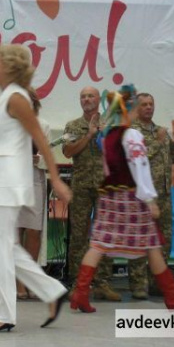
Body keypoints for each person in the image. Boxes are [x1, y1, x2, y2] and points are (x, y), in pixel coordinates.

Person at [0, 44, 72, 334]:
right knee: (6, 246)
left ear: (11, 66)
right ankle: (52, 290)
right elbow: (9, 138)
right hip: (0, 177)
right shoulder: (5, 97)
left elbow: (38, 138)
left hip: (9, 180)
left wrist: (57, 179)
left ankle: (4, 314)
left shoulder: (16, 97)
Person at [70, 85, 174, 313]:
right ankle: (172, 295)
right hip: (129, 197)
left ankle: (80, 293)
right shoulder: (132, 135)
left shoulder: (107, 135)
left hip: (109, 195)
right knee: (152, 245)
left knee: (98, 245)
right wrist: (149, 198)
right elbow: (139, 166)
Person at [63, 86, 121, 301]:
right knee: (78, 235)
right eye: (83, 96)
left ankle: (102, 283)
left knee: (105, 235)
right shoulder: (73, 125)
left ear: (99, 100)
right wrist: (89, 135)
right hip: (81, 186)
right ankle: (78, 284)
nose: (86, 99)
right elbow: (68, 151)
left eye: (90, 96)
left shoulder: (113, 124)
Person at [127, 93, 174, 299]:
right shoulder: (133, 131)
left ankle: (157, 282)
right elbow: (137, 156)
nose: (149, 108)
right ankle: (138, 284)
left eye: (151, 104)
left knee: (164, 238)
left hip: (165, 193)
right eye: (144, 105)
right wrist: (160, 143)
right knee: (140, 239)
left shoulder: (160, 130)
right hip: (143, 194)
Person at [15, 89, 50, 300]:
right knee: (16, 232)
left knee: (34, 231)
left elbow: (48, 155)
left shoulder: (43, 124)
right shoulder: (11, 124)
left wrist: (40, 160)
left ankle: (30, 280)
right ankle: (18, 282)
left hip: (35, 180)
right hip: (14, 182)